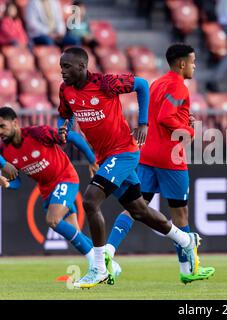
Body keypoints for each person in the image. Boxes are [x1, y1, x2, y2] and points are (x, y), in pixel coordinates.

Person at [58, 47, 201, 289]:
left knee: (91, 201)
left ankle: (99, 268)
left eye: (67, 67)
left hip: (124, 151)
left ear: (82, 67)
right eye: (61, 67)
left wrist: (143, 122)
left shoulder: (105, 83)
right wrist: (64, 127)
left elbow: (142, 85)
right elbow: (66, 114)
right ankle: (186, 240)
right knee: (140, 211)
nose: (62, 72)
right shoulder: (66, 90)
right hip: (106, 157)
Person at [104, 43, 215, 284]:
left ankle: (109, 252)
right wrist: (188, 129)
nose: (195, 66)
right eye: (193, 62)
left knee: (136, 206)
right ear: (182, 63)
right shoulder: (179, 86)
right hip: (170, 158)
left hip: (147, 155)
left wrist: (183, 118)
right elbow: (166, 117)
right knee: (181, 214)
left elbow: (160, 113)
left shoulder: (158, 83)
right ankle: (188, 269)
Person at [0, 106, 102, 271]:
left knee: (52, 219)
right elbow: (16, 181)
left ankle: (96, 264)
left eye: (2, 126)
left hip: (65, 177)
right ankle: (108, 262)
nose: (0, 132)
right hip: (47, 189)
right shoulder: (5, 152)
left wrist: (92, 160)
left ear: (15, 123)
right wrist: (7, 184)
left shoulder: (37, 133)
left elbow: (73, 137)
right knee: (76, 233)